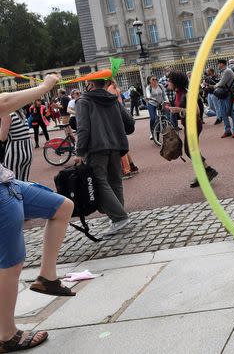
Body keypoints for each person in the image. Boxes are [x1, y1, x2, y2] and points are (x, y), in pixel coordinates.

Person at [1, 74, 75, 353]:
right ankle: (7, 335)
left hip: (7, 182)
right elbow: (5, 101)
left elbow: (3, 124)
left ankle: (47, 277)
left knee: (61, 206)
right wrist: (45, 87)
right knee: (10, 264)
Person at [74, 75, 135, 237]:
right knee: (115, 180)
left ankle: (119, 217)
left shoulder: (83, 101)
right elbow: (130, 123)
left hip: (96, 147)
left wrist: (79, 151)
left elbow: (83, 129)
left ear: (90, 84)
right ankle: (119, 215)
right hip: (116, 145)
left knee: (99, 181)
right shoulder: (113, 99)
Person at [164, 71, 219, 188]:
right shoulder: (178, 93)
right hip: (188, 125)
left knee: (190, 151)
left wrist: (179, 110)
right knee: (191, 150)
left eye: (169, 80)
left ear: (176, 82)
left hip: (194, 125)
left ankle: (208, 170)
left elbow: (196, 112)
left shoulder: (187, 94)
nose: (167, 83)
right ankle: (204, 173)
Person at [1, 109, 33, 182]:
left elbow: (3, 137)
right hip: (27, 149)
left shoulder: (7, 114)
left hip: (15, 150)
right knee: (24, 181)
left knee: (12, 181)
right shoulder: (21, 113)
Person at [214, 59, 234, 138]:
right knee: (223, 112)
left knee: (231, 112)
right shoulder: (223, 71)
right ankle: (227, 130)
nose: (218, 65)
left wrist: (215, 85)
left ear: (222, 64)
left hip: (228, 94)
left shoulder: (227, 71)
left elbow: (222, 83)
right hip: (223, 93)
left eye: (218, 64)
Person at [145, 75, 167, 140]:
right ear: (150, 81)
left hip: (160, 103)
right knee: (153, 118)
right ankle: (152, 133)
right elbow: (148, 94)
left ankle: (166, 130)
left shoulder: (160, 86)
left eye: (156, 79)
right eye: (153, 79)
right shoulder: (148, 87)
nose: (155, 81)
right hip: (152, 104)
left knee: (163, 117)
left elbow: (164, 94)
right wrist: (149, 97)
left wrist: (167, 101)